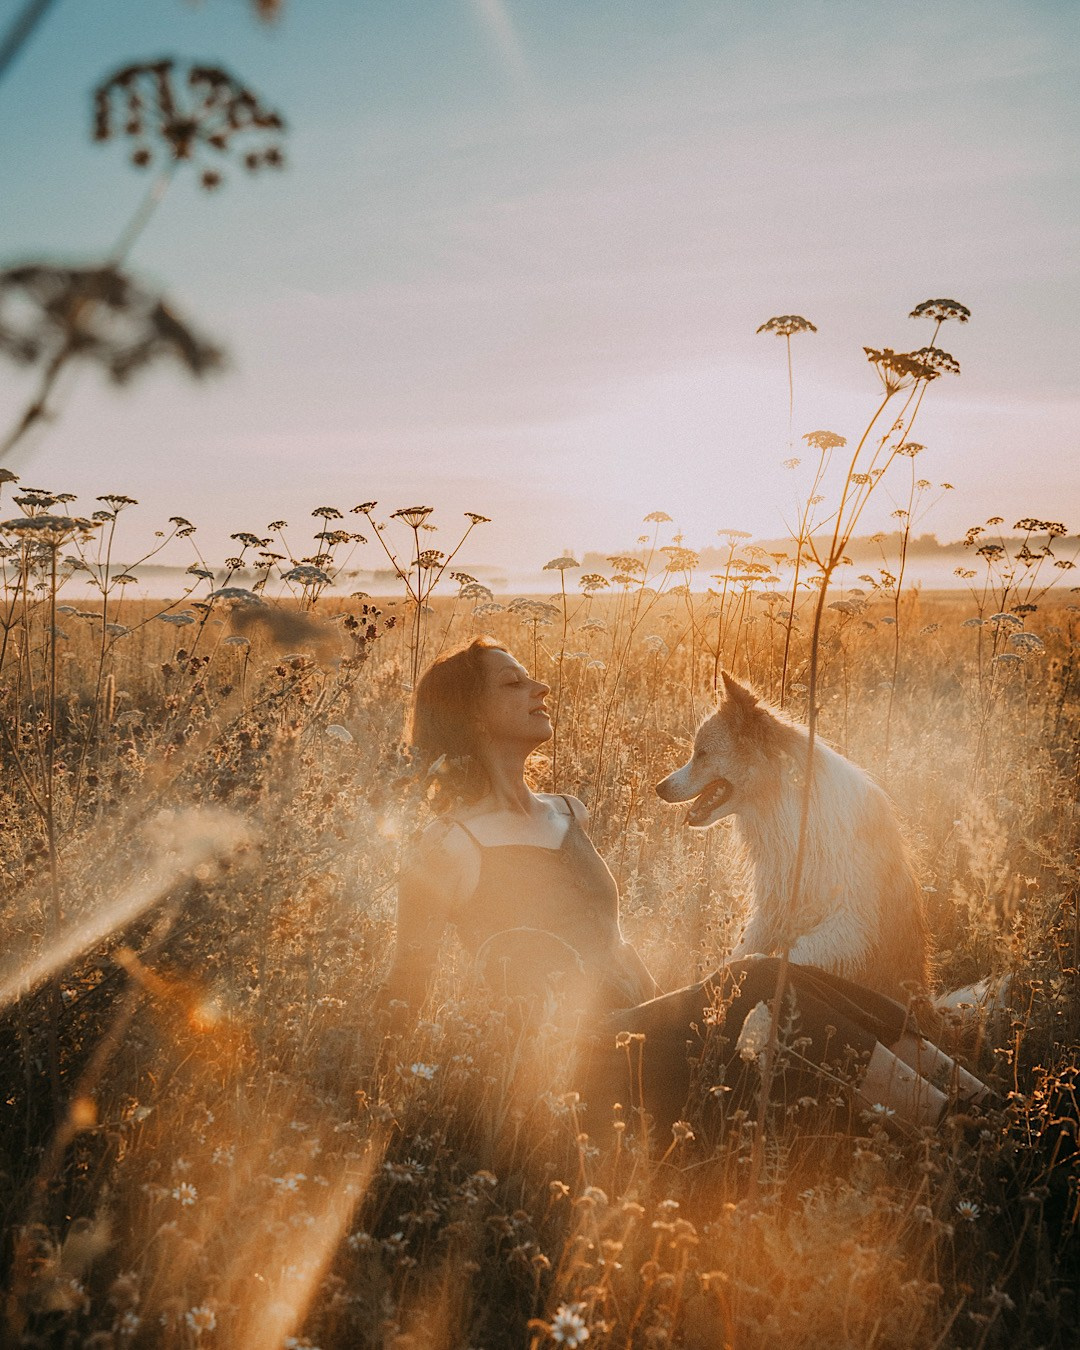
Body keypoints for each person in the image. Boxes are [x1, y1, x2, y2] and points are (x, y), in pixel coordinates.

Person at [381, 637, 989, 1137]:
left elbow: (613, 945)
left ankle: (981, 1108)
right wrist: (400, 1101)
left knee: (779, 992)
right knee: (758, 974)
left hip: (642, 1031)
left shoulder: (568, 812)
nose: (539, 688)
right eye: (513, 684)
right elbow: (406, 989)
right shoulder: (447, 846)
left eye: (532, 678)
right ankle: (955, 1130)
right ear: (468, 715)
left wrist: (696, 1013)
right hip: (574, 1057)